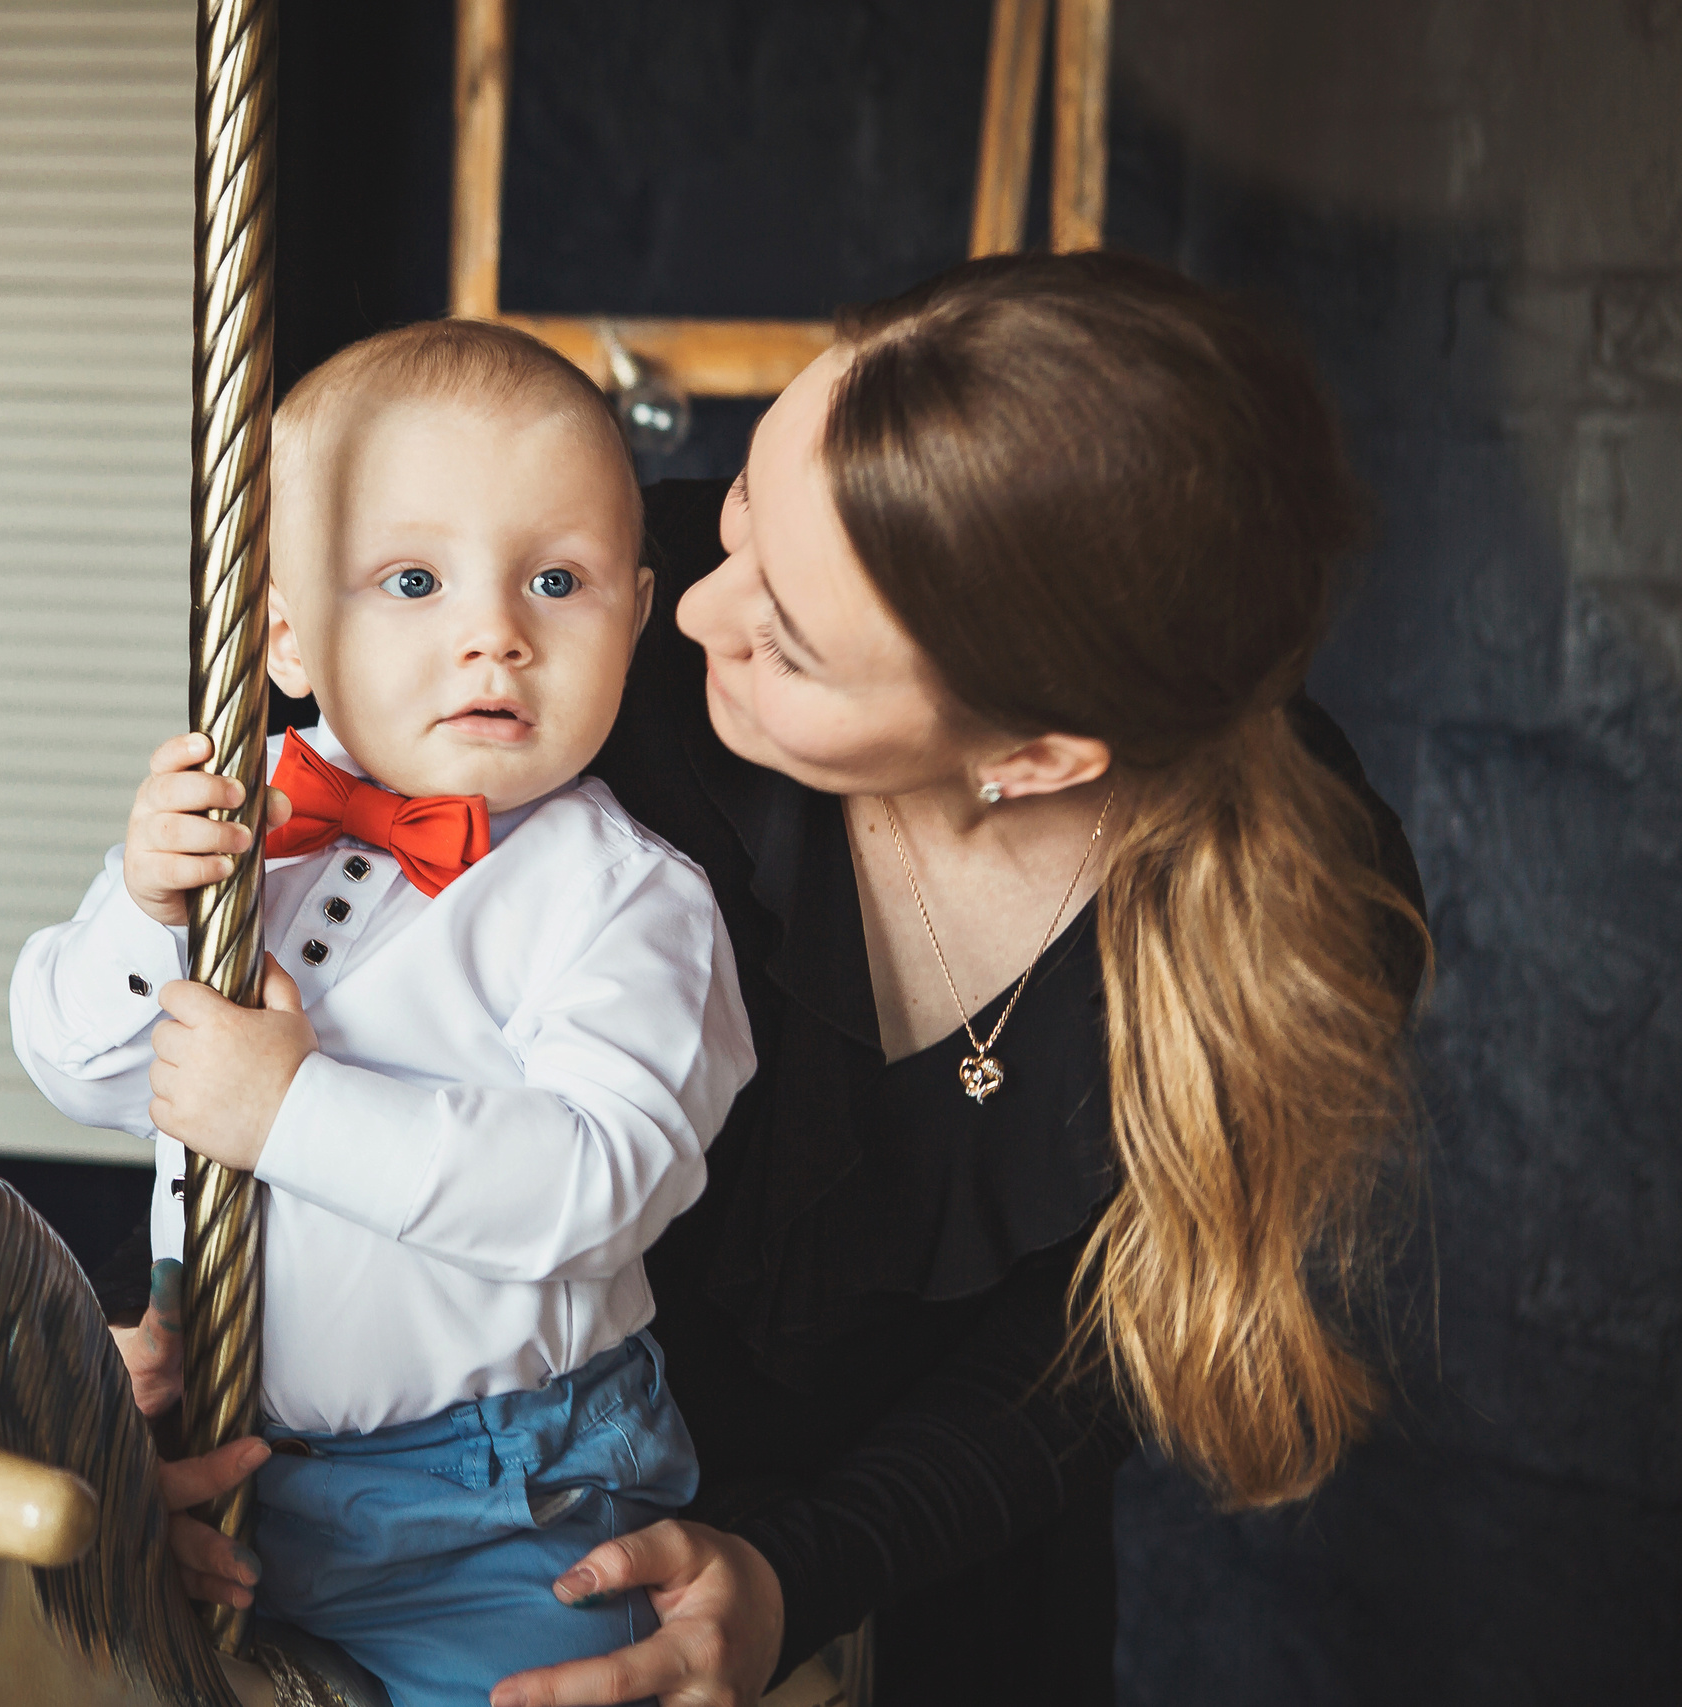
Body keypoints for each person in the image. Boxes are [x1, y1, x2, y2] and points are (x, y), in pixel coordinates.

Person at [132, 253, 1429, 1707]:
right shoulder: (589, 625)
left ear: (1036, 759)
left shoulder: (1299, 902)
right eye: (742, 517)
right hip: (471, 1500)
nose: (692, 614)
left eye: (788, 645)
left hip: (928, 1564)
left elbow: (1078, 1358)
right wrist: (210, 1367)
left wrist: (802, 1571)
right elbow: (308, 1013)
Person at [10, 319, 757, 1707]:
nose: (496, 634)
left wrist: (289, 1110)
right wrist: (139, 910)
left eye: (559, 580)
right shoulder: (241, 826)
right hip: (224, 1460)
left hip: (501, 1507)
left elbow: (594, 1185)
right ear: (284, 630)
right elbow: (77, 1066)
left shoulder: (627, 902)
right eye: (412, 579)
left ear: (638, 619)